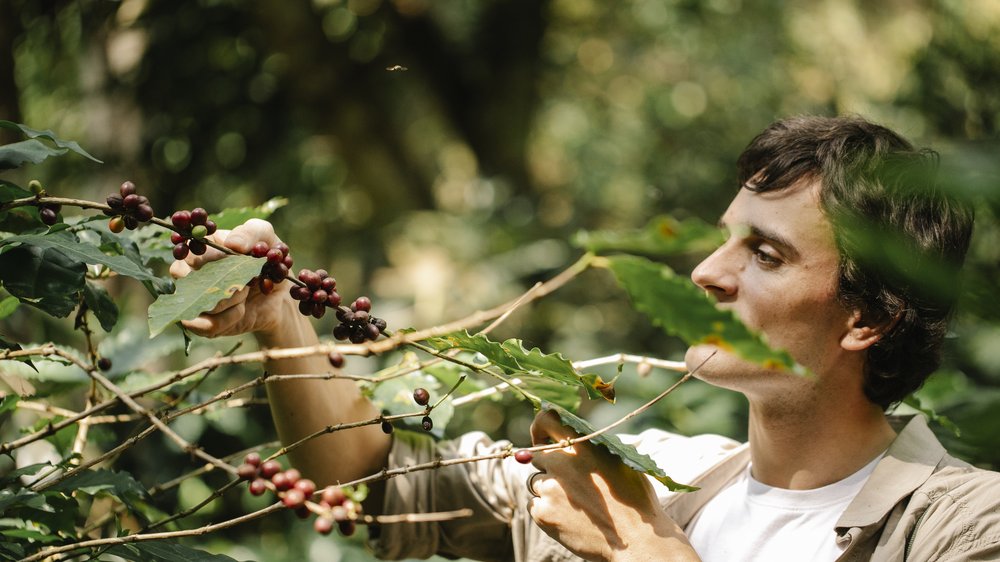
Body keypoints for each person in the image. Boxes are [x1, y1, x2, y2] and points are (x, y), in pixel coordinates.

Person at [171, 115, 1000, 561]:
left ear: (871, 317)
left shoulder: (964, 527)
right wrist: (278, 319)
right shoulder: (652, 476)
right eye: (726, 236)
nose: (709, 272)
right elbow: (380, 486)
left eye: (766, 254)